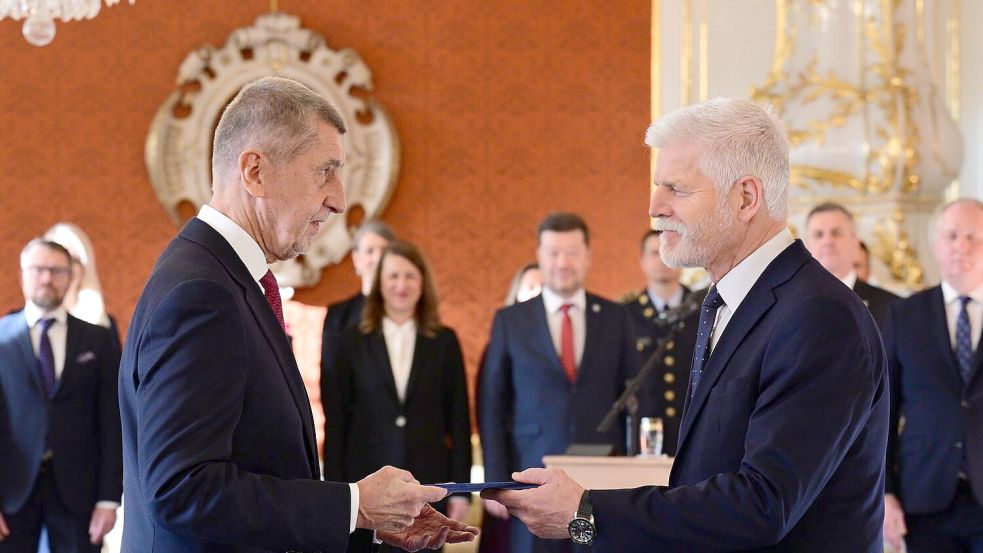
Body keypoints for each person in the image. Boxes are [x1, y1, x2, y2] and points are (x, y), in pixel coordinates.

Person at [484, 98, 889, 552]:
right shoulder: (725, 303)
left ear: (746, 198)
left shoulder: (819, 317)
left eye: (676, 189)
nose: (655, 207)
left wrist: (586, 512)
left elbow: (763, 505)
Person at [118, 77, 476, 553]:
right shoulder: (203, 292)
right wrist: (355, 505)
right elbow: (183, 490)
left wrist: (360, 517)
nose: (339, 198)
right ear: (255, 172)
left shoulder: (220, 275)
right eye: (324, 171)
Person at [479, 212, 639, 553]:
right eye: (553, 253)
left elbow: (634, 396)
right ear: (539, 255)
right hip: (531, 477)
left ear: (588, 256)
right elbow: (493, 406)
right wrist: (494, 479)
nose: (562, 262)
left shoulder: (616, 317)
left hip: (601, 481)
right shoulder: (511, 321)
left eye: (571, 252)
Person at [323, 241, 472, 552]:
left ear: (423, 283)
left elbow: (458, 421)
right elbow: (337, 421)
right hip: (365, 487)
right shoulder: (350, 342)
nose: (401, 285)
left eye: (409, 276)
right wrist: (336, 492)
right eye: (392, 276)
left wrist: (460, 491)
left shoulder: (444, 341)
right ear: (379, 284)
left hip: (429, 486)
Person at [0, 239, 121, 552]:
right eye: (38, 269)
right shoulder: (1, 338)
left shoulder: (99, 339)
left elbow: (111, 420)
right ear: (23, 273)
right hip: (11, 491)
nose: (46, 278)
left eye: (56, 270)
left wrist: (109, 498)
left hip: (79, 490)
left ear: (70, 277)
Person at [882, 198, 983, 552]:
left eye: (974, 236)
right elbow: (884, 413)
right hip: (924, 497)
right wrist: (886, 493)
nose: (962, 246)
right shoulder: (903, 316)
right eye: (952, 235)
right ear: (937, 244)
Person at [620, 229, 705, 456]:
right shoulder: (626, 314)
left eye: (670, 250)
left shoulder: (703, 309)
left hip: (692, 434)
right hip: (642, 438)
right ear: (642, 261)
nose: (663, 259)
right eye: (655, 253)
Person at [478, 262, 542, 553]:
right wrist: (496, 482)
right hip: (512, 472)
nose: (537, 296)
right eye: (530, 288)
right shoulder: (499, 343)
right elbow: (489, 415)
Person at [320, 220, 396, 448]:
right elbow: (332, 389)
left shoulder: (409, 314)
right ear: (357, 258)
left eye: (385, 251)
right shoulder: (338, 317)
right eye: (370, 251)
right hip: (358, 441)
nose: (377, 258)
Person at [803, 202, 899, 325]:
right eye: (818, 235)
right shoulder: (786, 304)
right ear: (806, 246)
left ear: (855, 243)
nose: (827, 241)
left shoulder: (891, 307)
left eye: (836, 233)